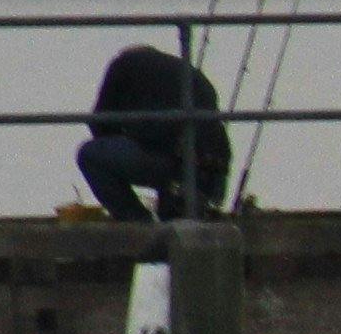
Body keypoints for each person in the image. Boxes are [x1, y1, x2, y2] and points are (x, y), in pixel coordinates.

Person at [77, 41, 230, 221]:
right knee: (176, 219)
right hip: (215, 171)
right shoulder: (193, 73)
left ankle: (136, 221)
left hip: (171, 161)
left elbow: (100, 121)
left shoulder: (124, 63)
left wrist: (122, 140)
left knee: (90, 155)